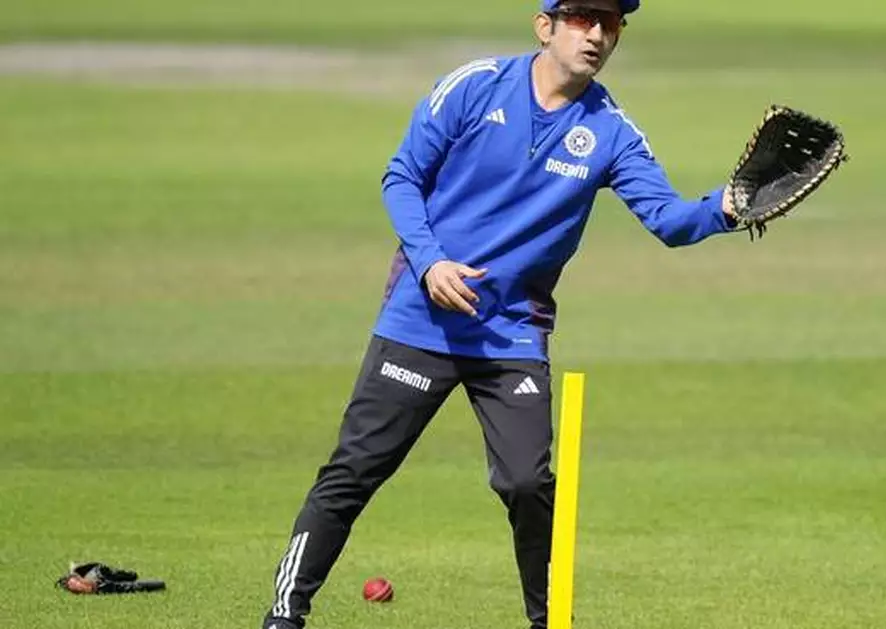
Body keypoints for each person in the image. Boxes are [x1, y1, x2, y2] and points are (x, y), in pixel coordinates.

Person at [262, 1, 740, 627]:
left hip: (511, 335)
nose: (596, 33)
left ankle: (545, 621)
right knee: (354, 470)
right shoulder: (475, 85)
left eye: (611, 22)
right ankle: (284, 613)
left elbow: (670, 221)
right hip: (420, 320)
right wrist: (432, 263)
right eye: (581, 18)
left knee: (525, 483)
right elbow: (401, 176)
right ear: (545, 26)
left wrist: (729, 206)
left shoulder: (612, 132)